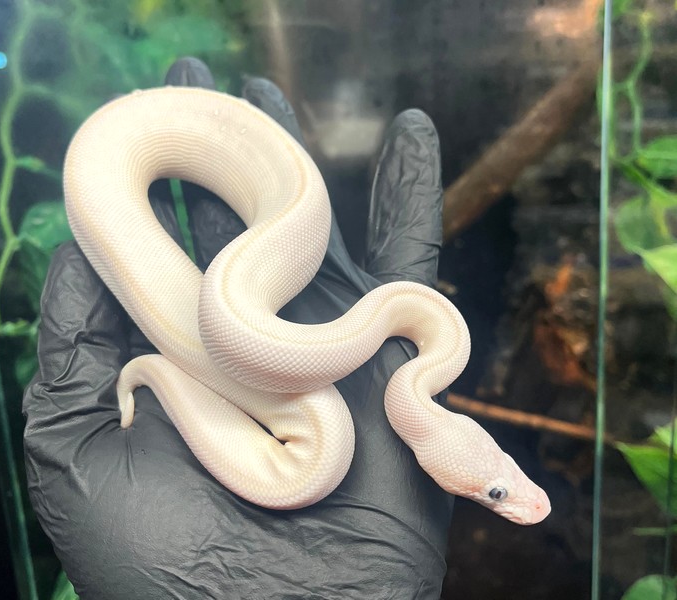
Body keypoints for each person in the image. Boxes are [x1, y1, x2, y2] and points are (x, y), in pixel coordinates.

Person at [23, 57, 453, 599]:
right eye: (494, 493)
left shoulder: (397, 356)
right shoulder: (401, 354)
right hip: (118, 153)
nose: (507, 504)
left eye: (496, 495)